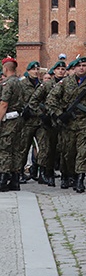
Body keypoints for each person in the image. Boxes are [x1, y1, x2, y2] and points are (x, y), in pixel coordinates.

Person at [47, 56, 86, 193]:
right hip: (67, 123)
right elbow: (51, 99)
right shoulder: (65, 83)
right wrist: (59, 113)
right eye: (79, 65)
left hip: (84, 122)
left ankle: (79, 179)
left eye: (85, 65)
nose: (82, 68)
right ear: (74, 68)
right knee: (68, 152)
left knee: (83, 152)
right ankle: (66, 175)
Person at [0, 58, 30, 191]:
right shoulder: (20, 83)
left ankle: (3, 179)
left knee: (5, 149)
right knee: (16, 149)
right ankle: (15, 179)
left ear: (5, 68)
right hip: (19, 119)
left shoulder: (8, 84)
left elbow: (4, 104)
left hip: (8, 120)